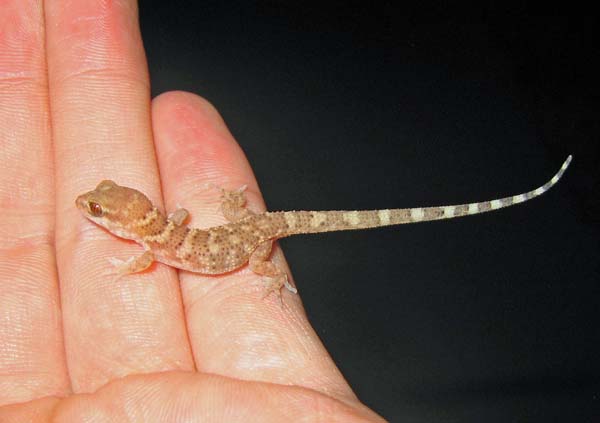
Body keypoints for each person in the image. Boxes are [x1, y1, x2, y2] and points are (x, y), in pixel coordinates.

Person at [0, 1, 385, 421]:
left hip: (251, 240)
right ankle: (238, 211)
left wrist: (273, 274)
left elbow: (150, 253)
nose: (90, 207)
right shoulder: (159, 232)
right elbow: (177, 220)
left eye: (98, 207)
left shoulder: (151, 248)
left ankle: (270, 273)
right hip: (246, 225)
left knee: (261, 265)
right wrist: (224, 210)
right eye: (100, 201)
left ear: (125, 219)